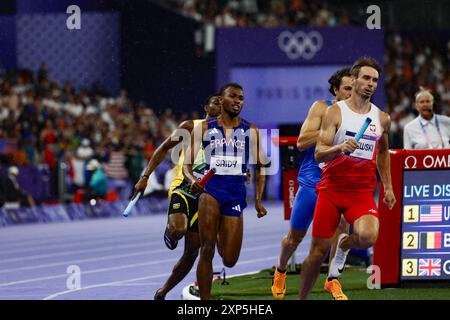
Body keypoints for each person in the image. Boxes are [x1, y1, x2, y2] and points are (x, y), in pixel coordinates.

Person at [298, 57, 396, 300]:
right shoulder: (334, 112)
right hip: (331, 190)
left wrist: (388, 187)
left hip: (361, 193)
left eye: (375, 80)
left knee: (367, 236)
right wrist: (339, 148)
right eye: (365, 78)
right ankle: (302, 297)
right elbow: (319, 153)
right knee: (317, 253)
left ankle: (343, 244)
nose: (370, 83)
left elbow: (383, 152)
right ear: (355, 80)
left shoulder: (382, 118)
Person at [271, 67, 353, 300]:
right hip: (313, 180)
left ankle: (332, 280)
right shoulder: (321, 107)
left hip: (340, 182)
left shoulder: (359, 113)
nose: (350, 93)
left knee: (341, 231)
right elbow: (301, 142)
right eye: (346, 88)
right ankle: (281, 269)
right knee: (294, 237)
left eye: (352, 88)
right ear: (336, 90)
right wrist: (331, 128)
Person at [131, 94, 222, 300]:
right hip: (184, 186)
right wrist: (145, 177)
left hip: (208, 196)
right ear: (206, 106)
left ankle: (163, 291)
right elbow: (163, 148)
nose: (219, 104)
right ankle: (170, 231)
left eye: (221, 102)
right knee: (178, 230)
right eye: (215, 101)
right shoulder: (190, 126)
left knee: (191, 253)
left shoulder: (229, 133)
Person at [183, 83, 268, 300]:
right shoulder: (204, 127)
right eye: (233, 96)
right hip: (211, 191)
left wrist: (258, 201)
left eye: (241, 97)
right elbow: (187, 165)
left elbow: (261, 167)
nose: (238, 100)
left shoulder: (251, 130)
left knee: (230, 259)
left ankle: (220, 230)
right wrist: (194, 180)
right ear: (222, 100)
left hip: (235, 194)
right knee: (207, 249)